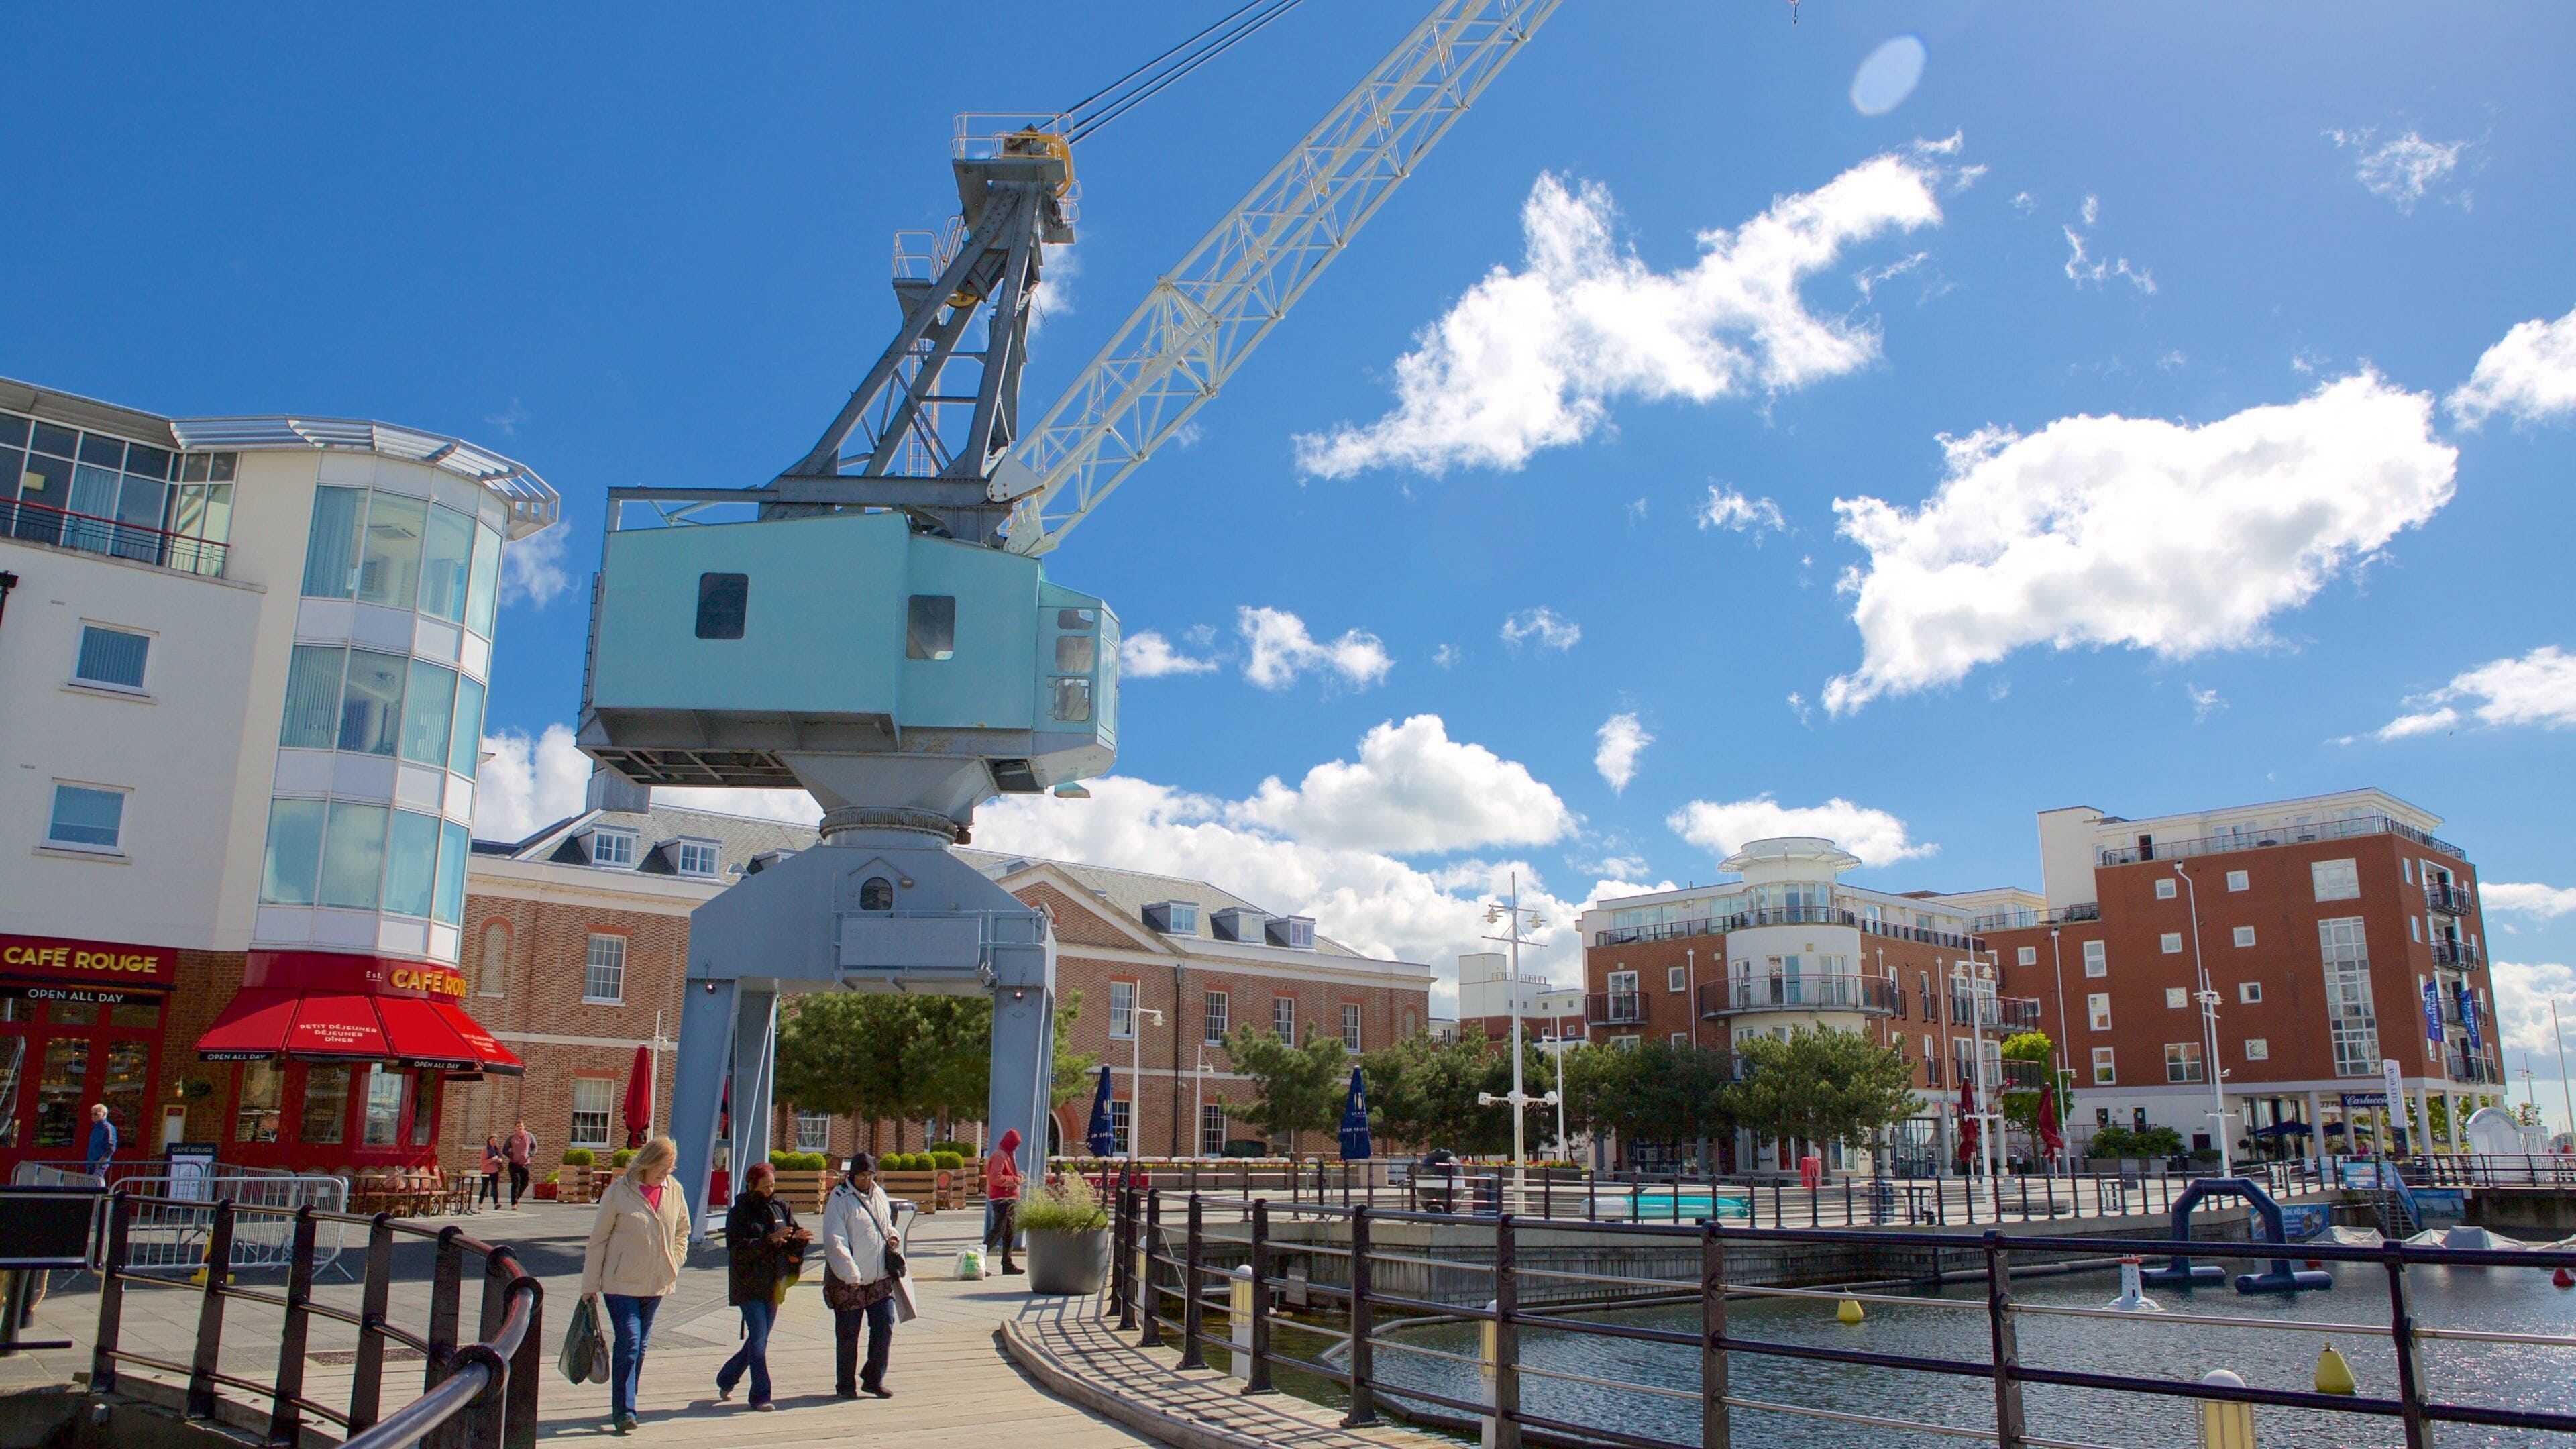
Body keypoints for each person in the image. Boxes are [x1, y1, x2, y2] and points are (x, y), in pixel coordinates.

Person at [578, 1136, 689, 1435]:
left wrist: (676, 1260)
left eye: (670, 1168)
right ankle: (624, 1411)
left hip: (656, 1282)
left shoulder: (675, 1190)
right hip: (621, 1283)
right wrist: (589, 1285)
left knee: (640, 1346)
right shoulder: (620, 1191)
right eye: (662, 1168)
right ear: (647, 1163)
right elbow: (598, 1240)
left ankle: (628, 1398)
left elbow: (683, 1230)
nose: (665, 1174)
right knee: (628, 1340)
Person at [717, 1161, 809, 1411]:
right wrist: (769, 1240)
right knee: (759, 1336)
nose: (770, 1190)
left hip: (774, 1284)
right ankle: (761, 1395)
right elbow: (737, 1249)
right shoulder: (739, 1212)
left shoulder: (781, 1207)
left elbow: (790, 1240)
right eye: (765, 1187)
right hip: (748, 1285)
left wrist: (799, 1241)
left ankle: (726, 1377)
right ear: (752, 1186)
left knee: (758, 1340)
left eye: (773, 1186)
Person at [822, 1152, 904, 1399]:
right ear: (852, 1175)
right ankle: (845, 1385)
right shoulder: (839, 1199)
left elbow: (886, 1224)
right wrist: (851, 1274)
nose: (866, 1180)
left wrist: (893, 1236)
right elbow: (835, 1240)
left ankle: (873, 1378)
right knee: (848, 1335)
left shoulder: (879, 1194)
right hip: (850, 1283)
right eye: (862, 1175)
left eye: (870, 1175)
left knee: (884, 1326)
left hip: (879, 1277)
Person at [983, 1129, 1024, 1275]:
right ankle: (978, 1259)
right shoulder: (1000, 1156)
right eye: (1016, 1144)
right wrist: (1016, 1180)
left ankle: (1007, 1263)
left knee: (1009, 1232)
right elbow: (995, 1178)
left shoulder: (1007, 1154)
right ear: (1010, 1143)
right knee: (998, 1230)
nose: (1017, 1148)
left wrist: (1015, 1178)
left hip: (1009, 1198)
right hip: (1002, 1199)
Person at [504, 1121, 537, 1208]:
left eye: (521, 1126)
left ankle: (516, 1197)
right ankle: (514, 1203)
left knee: (525, 1183)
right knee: (516, 1183)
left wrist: (530, 1155)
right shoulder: (511, 1137)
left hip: (525, 1164)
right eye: (518, 1126)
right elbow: (505, 1150)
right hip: (514, 1164)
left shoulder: (529, 1136)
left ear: (524, 1127)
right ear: (515, 1128)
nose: (520, 1128)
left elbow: (535, 1147)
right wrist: (512, 1156)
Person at [84, 1104, 117, 1179]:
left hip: (100, 1165)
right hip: (90, 1162)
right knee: (88, 1183)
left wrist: (101, 1161)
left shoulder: (108, 1128)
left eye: (96, 1114)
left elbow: (112, 1148)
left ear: (104, 1114)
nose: (93, 1116)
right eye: (92, 1114)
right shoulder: (94, 1127)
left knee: (95, 1184)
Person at [477, 1134, 504, 1210]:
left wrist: (500, 1160)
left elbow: (501, 1157)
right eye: (493, 1140)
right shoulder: (485, 1150)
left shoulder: (497, 1149)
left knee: (495, 1188)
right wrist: (493, 1159)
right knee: (484, 1188)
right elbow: (483, 1162)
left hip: (495, 1171)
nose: (494, 1142)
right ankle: (480, 1203)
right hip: (486, 1171)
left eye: (496, 1140)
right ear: (489, 1141)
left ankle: (496, 1203)